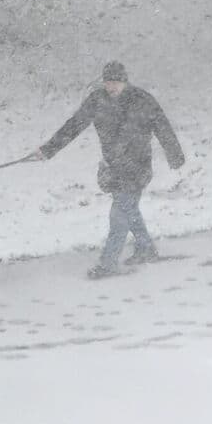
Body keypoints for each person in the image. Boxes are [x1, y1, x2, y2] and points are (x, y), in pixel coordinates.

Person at [28, 60, 185, 278]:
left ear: (125, 82)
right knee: (128, 209)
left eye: (116, 83)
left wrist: (174, 154)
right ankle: (146, 248)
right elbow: (74, 125)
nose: (111, 87)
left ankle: (108, 264)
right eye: (108, 83)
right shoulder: (97, 100)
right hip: (113, 166)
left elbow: (162, 125)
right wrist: (47, 150)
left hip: (138, 165)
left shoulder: (141, 100)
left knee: (119, 214)